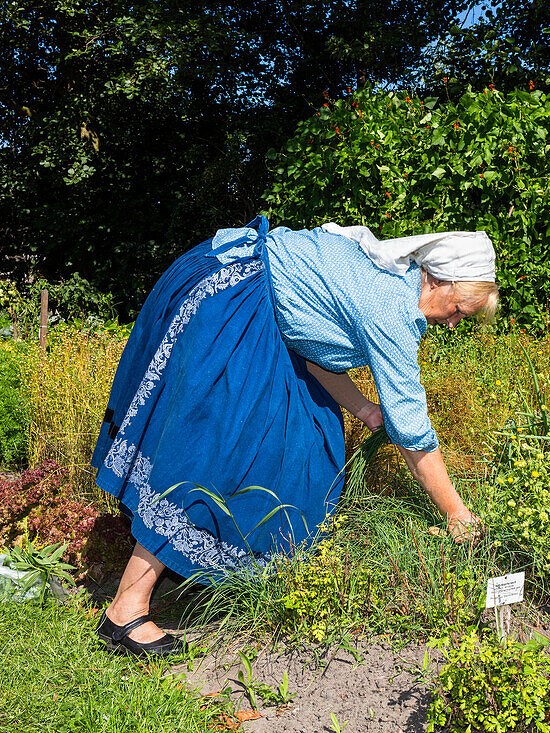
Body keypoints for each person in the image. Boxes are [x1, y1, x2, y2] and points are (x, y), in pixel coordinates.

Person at [91, 217, 498, 657]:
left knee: (309, 442)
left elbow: (310, 339)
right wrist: (457, 514)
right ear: (436, 280)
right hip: (233, 300)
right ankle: (125, 609)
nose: (454, 324)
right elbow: (412, 430)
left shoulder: (396, 284)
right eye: (458, 311)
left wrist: (361, 409)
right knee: (216, 453)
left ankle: (230, 571)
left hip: (265, 317)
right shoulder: (390, 305)